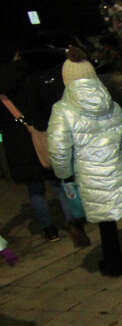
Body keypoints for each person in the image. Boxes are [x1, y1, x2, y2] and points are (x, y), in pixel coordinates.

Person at [47, 47, 122, 284]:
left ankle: (114, 264)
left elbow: (58, 149)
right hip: (118, 171)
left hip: (90, 175)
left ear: (66, 78)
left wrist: (64, 175)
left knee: (105, 220)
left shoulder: (62, 110)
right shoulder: (111, 105)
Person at [0, 49, 91, 246]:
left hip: (18, 144)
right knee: (59, 184)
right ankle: (74, 223)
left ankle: (49, 230)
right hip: (42, 135)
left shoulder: (3, 91)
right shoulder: (31, 77)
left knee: (35, 190)